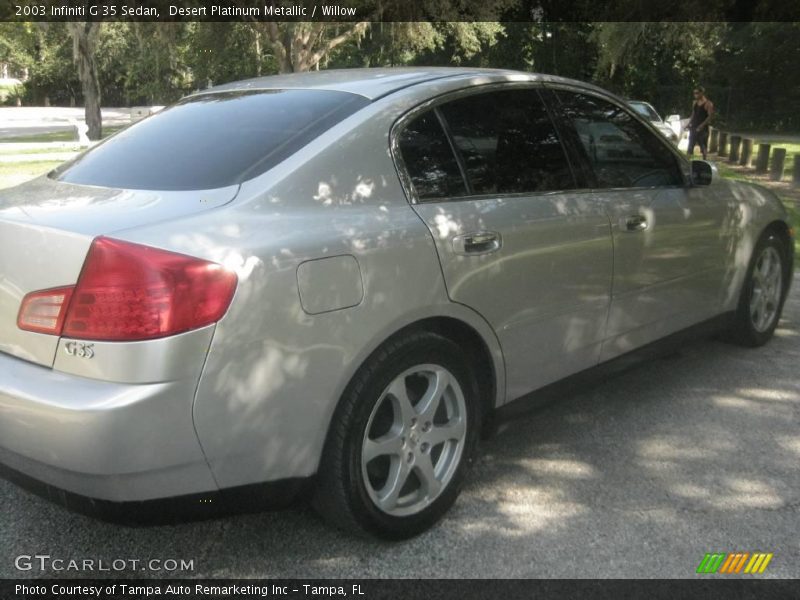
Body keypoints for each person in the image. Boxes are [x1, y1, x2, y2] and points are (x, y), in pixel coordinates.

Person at [686, 86, 714, 159]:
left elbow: (710, 116)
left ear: (702, 93)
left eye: (697, 93)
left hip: (703, 129)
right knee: (690, 145)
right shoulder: (694, 102)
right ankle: (686, 162)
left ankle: (704, 161)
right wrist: (688, 124)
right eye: (694, 93)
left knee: (703, 146)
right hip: (694, 127)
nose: (695, 95)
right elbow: (693, 114)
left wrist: (702, 125)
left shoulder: (708, 104)